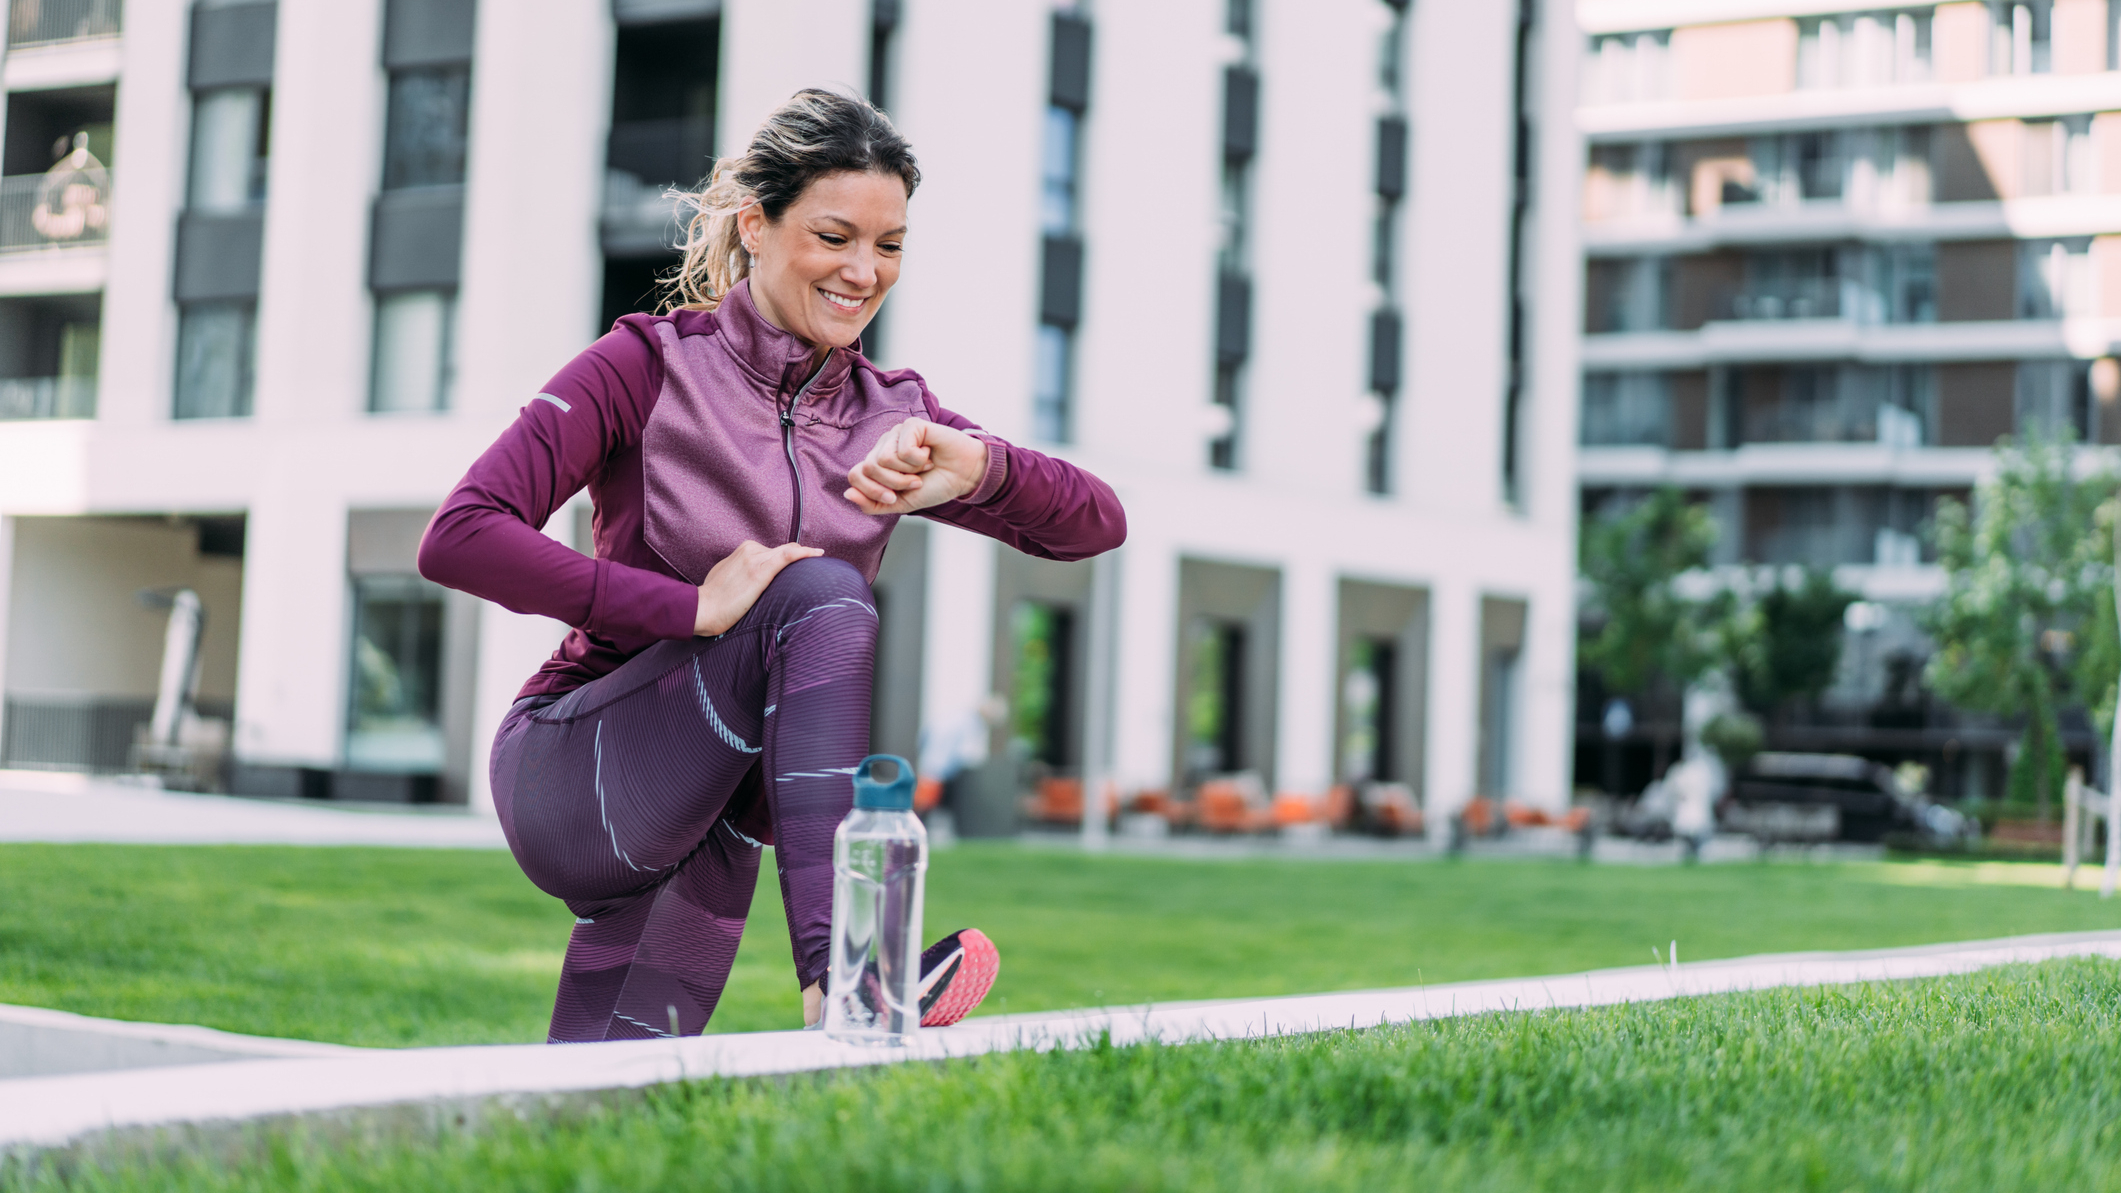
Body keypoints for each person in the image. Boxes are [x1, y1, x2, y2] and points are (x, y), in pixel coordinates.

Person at [418, 89, 1125, 1043]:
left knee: (607, 1093)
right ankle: (851, 973)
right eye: (834, 236)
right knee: (823, 594)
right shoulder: (645, 366)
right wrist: (686, 607)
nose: (863, 271)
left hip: (718, 817)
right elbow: (461, 531)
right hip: (578, 773)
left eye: (890, 245)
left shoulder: (895, 418)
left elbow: (1097, 525)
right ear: (756, 223)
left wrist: (985, 466)